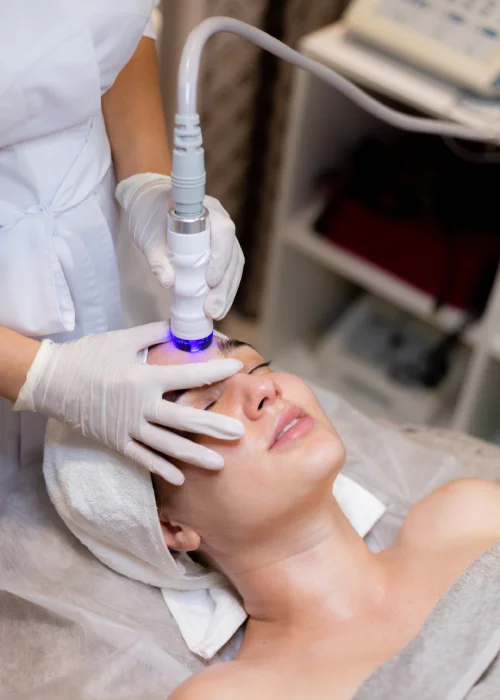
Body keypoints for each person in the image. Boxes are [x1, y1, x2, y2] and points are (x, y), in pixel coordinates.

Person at [144, 336, 500, 700]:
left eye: (256, 366)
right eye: (206, 406)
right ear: (172, 527)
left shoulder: (463, 515)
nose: (264, 387)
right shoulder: (234, 694)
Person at [0, 2, 245, 490]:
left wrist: (146, 180)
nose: (263, 391)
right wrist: (41, 376)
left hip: (96, 214)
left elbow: (104, 32)